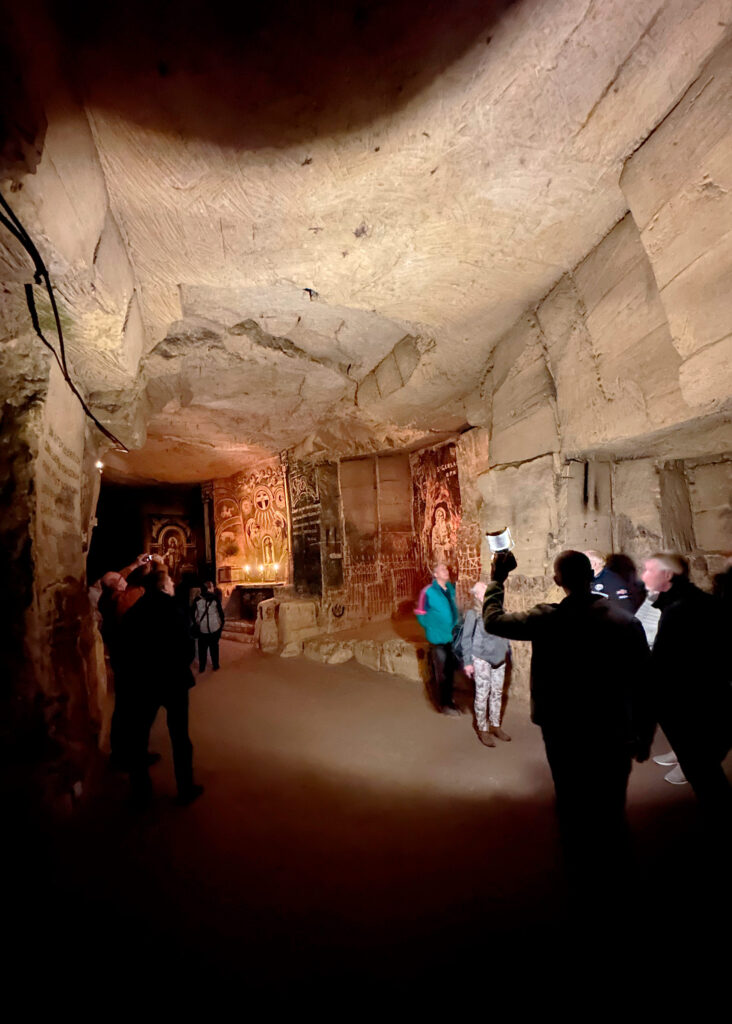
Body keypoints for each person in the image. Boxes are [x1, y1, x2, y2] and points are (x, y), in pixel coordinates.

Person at [482, 549, 652, 890]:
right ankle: (618, 876)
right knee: (610, 802)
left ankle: (580, 874)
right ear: (591, 576)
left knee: (572, 797)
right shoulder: (625, 623)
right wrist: (644, 735)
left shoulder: (547, 618)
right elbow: (645, 685)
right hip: (611, 728)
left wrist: (498, 579)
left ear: (558, 581)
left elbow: (493, 620)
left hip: (563, 726)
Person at [642, 552, 732, 824]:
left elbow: (663, 670)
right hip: (709, 700)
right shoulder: (697, 602)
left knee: (705, 777)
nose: (643, 576)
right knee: (707, 772)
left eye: (649, 570)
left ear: (667, 576)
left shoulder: (679, 611)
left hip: (691, 707)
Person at [121, 570, 203, 806]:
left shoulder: (135, 611)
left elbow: (126, 645)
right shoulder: (174, 608)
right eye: (169, 581)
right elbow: (187, 646)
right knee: (180, 737)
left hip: (144, 682)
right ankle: (185, 788)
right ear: (163, 586)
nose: (173, 584)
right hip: (174, 680)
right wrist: (180, 664)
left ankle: (141, 791)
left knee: (139, 735)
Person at [461, 580, 511, 746]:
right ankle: (482, 729)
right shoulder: (473, 614)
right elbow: (466, 638)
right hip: (481, 657)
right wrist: (468, 662)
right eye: (484, 591)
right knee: (483, 694)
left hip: (499, 657)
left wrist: (506, 649)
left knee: (497, 692)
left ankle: (495, 725)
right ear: (477, 595)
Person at [415, 562, 461, 716]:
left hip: (451, 637)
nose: (446, 571)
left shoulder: (451, 589)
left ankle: (450, 700)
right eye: (442, 569)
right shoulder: (427, 592)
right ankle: (444, 704)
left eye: (446, 569)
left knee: (450, 670)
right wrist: (431, 628)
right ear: (435, 575)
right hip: (438, 639)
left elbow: (454, 609)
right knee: (442, 673)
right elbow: (420, 613)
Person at [193, 580, 225, 672]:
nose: (213, 588)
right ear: (209, 588)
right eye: (211, 587)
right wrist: (221, 624)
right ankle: (215, 665)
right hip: (214, 626)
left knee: (202, 649)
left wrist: (197, 622)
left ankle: (202, 667)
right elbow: (220, 613)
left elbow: (193, 613)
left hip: (202, 628)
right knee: (214, 647)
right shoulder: (215, 598)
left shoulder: (197, 599)